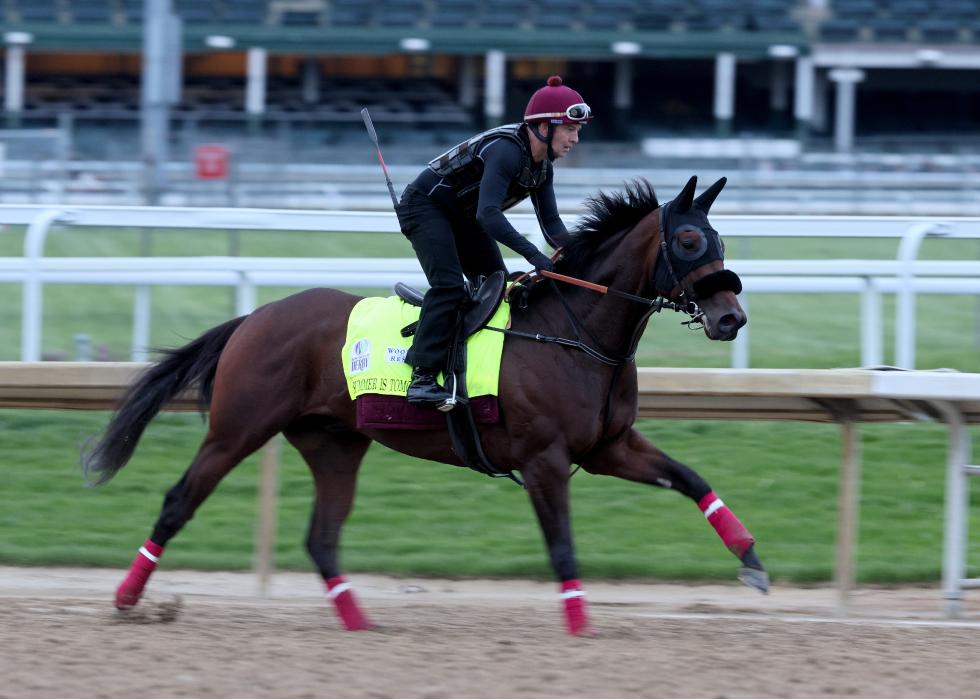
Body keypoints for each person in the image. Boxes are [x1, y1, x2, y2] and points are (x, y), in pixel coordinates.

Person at [395, 75, 593, 409]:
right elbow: (489, 214)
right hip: (425, 207)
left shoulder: (543, 167)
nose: (575, 139)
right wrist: (534, 256)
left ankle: (476, 366)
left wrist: (585, 255)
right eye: (570, 130)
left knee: (496, 288)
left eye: (578, 131)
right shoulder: (506, 151)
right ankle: (422, 378)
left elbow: (552, 225)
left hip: (464, 217)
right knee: (449, 288)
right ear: (544, 127)